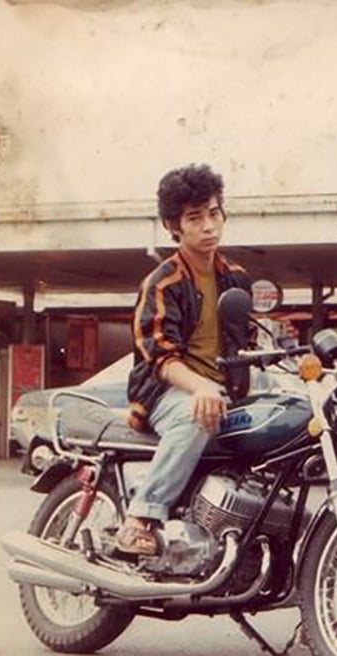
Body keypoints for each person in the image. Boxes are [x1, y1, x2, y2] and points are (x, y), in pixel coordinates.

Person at [115, 163, 251, 555]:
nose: (208, 226)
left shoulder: (236, 277)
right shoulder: (163, 281)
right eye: (195, 218)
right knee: (198, 417)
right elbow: (158, 354)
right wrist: (201, 386)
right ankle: (140, 516)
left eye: (214, 213)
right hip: (166, 392)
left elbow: (248, 341)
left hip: (224, 387)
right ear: (173, 226)